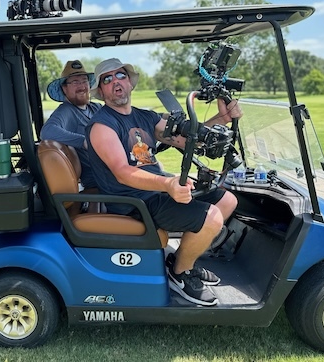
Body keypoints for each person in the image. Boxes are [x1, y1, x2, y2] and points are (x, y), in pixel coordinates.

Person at [86, 58, 242, 306]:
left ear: (130, 83)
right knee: (211, 217)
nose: (116, 82)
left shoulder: (145, 116)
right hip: (133, 201)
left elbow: (185, 139)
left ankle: (182, 262)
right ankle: (179, 275)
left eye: (121, 76)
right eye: (108, 79)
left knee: (226, 200)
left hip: (155, 191)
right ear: (101, 90)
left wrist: (220, 119)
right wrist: (168, 185)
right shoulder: (102, 125)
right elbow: (123, 172)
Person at [41, 60, 101, 190]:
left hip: (112, 168)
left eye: (84, 81)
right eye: (75, 82)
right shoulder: (66, 111)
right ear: (64, 88)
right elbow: (47, 131)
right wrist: (84, 141)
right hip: (98, 179)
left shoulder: (96, 108)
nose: (81, 86)